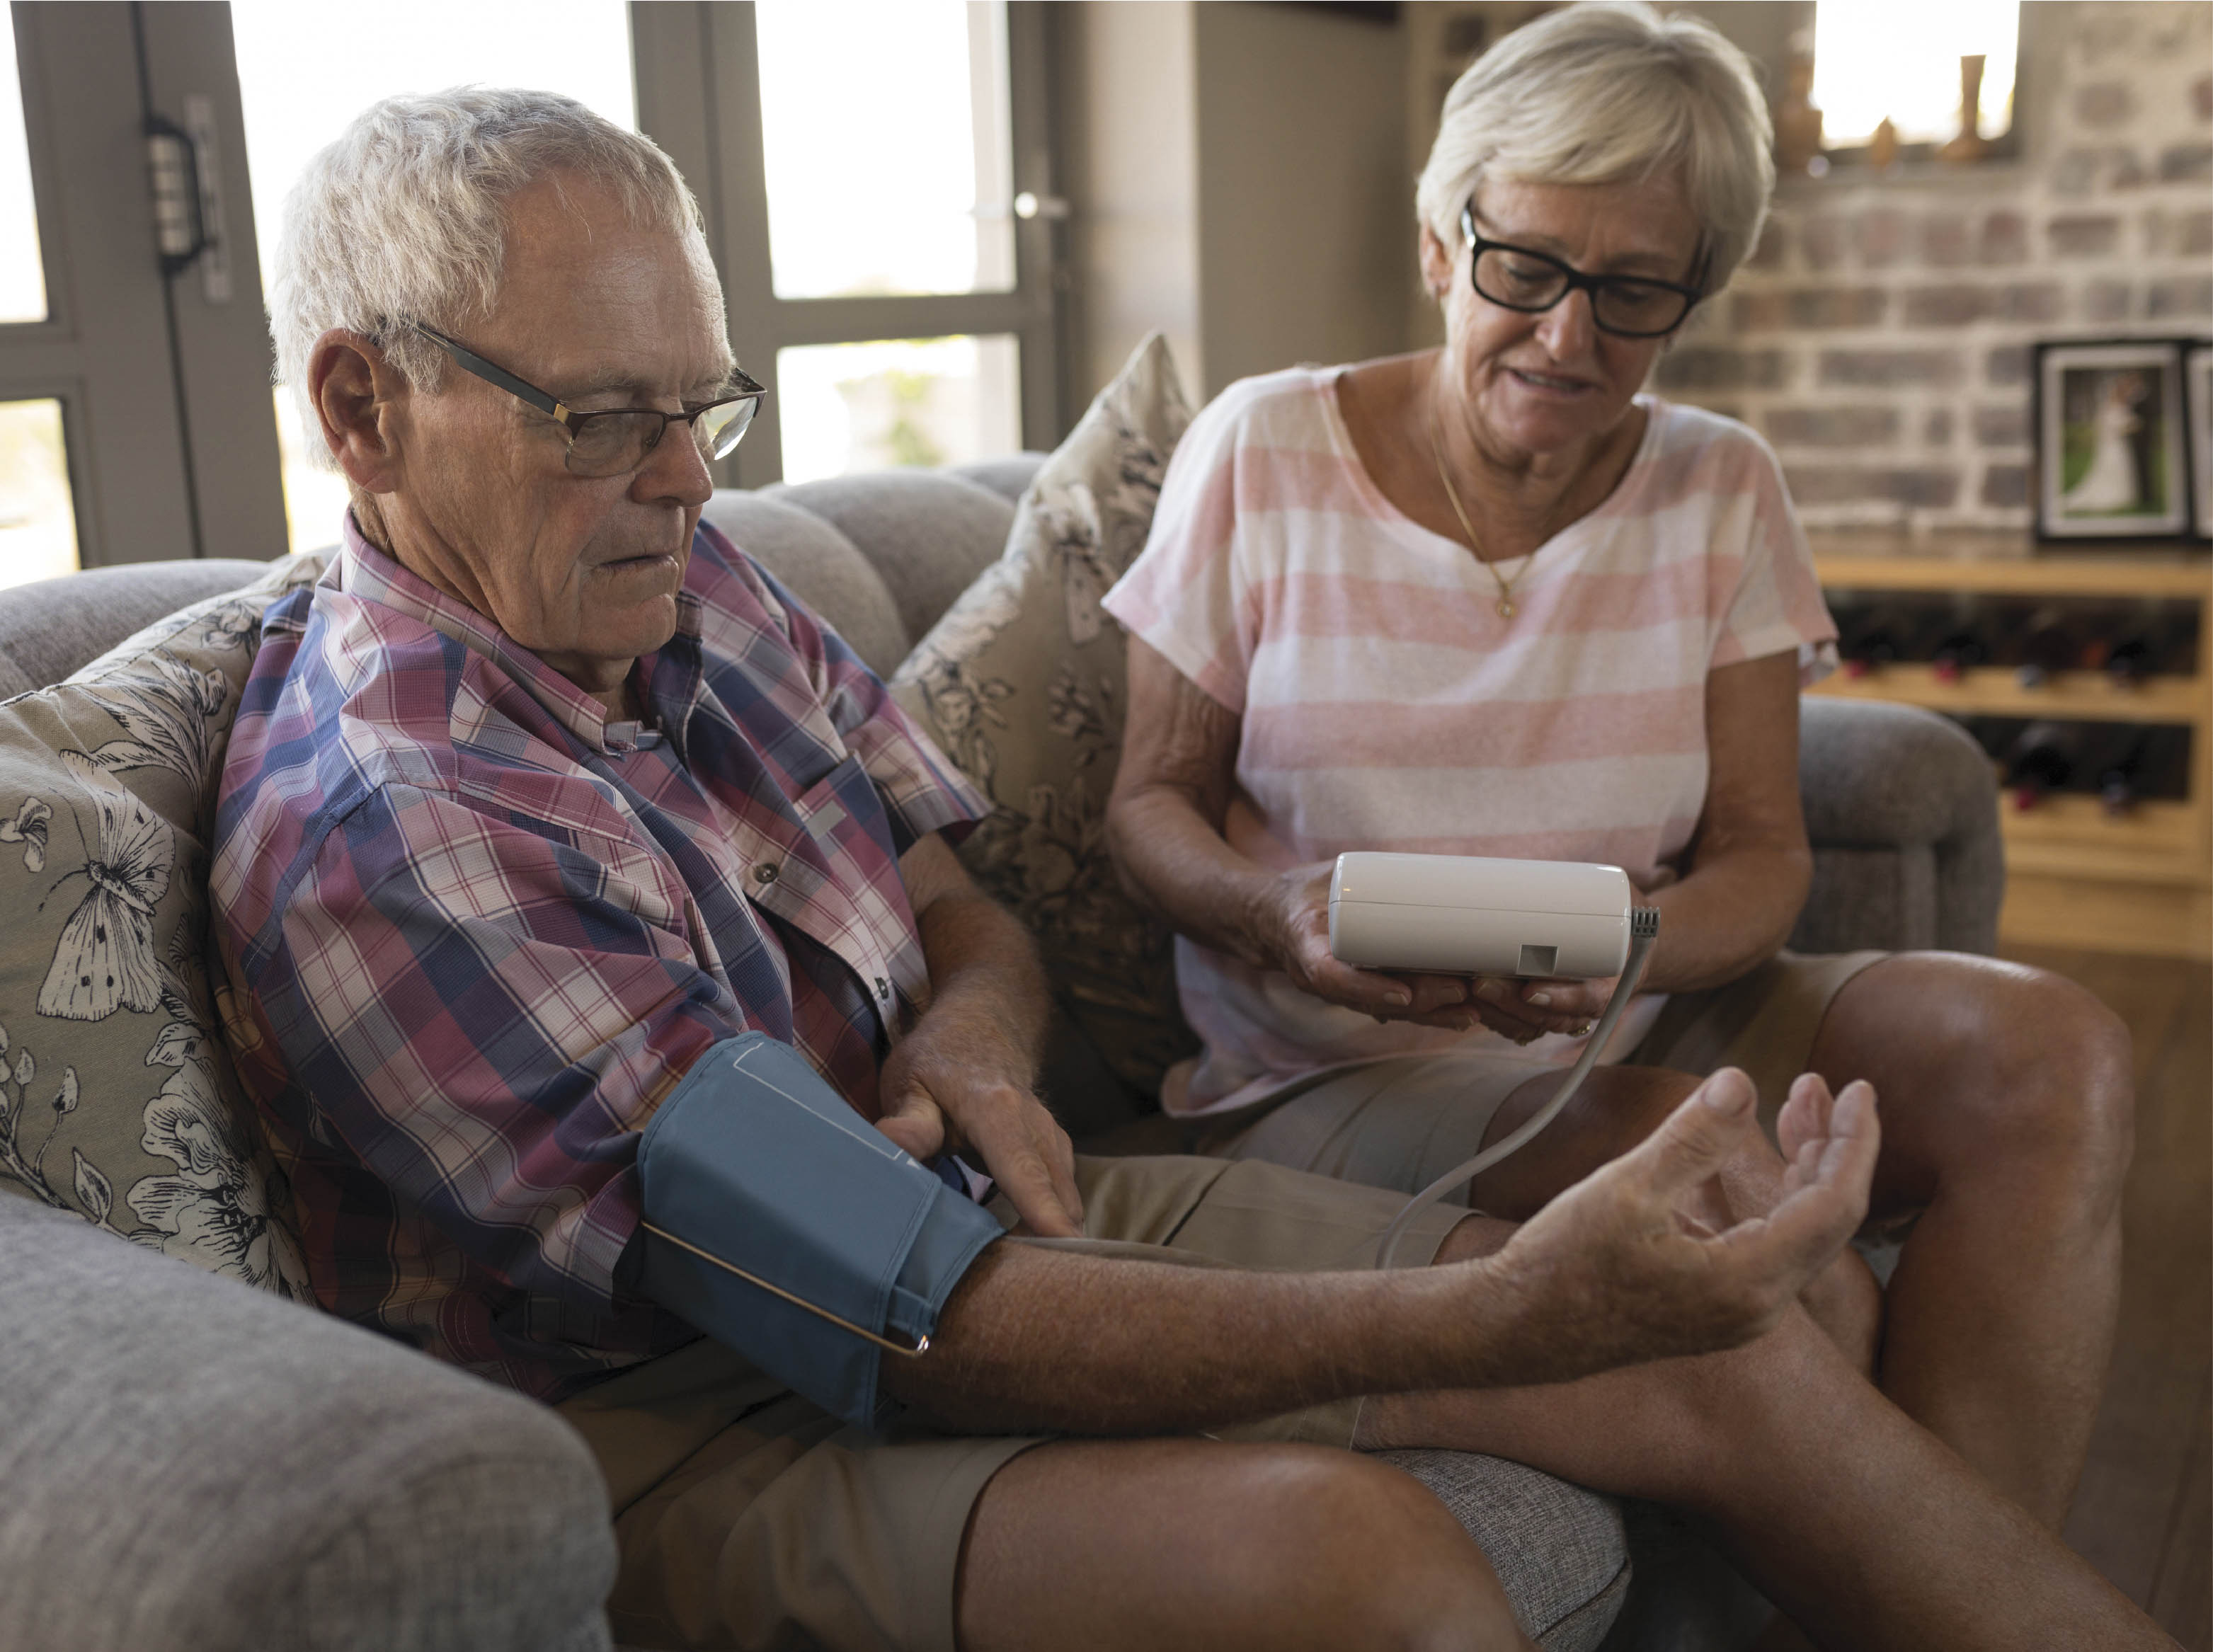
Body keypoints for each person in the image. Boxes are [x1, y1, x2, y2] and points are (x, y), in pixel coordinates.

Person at [210, 83, 2169, 1652]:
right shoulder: (411, 825)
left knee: (1728, 1339)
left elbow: (953, 897)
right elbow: (906, 1308)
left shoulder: (663, 574)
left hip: (989, 1207)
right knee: (1368, 1570)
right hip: (689, 1397)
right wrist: (1495, 1316)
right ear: (363, 409)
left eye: (700, 403)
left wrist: (975, 1035)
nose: (692, 473)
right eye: (603, 415)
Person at [1102, 0, 2136, 1614]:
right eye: (1526, 267)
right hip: (1336, 1058)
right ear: (1445, 246)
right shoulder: (1264, 450)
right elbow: (1147, 804)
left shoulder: (1722, 484)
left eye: (1635, 291)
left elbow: (1762, 857)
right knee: (1736, 1209)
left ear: (1690, 296)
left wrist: (1636, 946)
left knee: (2053, 1052)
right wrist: (1276, 919)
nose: (1569, 339)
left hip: (1648, 1003)